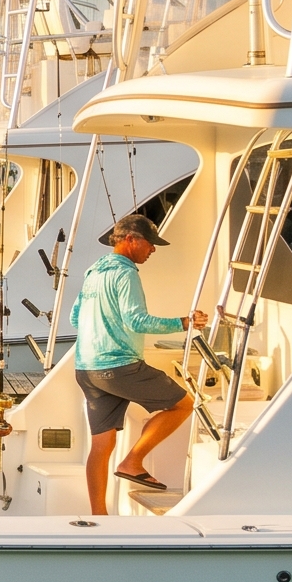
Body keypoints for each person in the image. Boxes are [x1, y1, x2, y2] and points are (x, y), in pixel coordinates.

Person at [70, 213, 210, 515]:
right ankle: (133, 461)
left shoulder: (93, 272)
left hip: (86, 369)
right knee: (184, 404)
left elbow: (74, 318)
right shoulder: (126, 273)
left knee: (101, 445)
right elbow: (136, 320)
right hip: (118, 366)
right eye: (150, 243)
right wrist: (184, 322)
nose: (153, 249)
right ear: (131, 239)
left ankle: (99, 517)